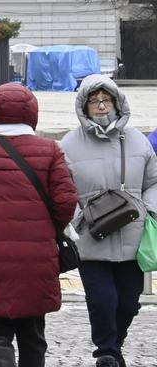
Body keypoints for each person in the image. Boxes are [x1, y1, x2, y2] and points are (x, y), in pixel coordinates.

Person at [0, 83, 78, 367]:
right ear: (32, 114)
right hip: (37, 258)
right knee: (32, 333)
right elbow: (66, 201)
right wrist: (48, 228)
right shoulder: (50, 151)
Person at [60, 75, 157, 367]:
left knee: (129, 303)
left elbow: (153, 181)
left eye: (106, 100)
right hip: (91, 237)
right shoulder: (68, 144)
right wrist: (76, 217)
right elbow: (61, 188)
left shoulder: (138, 140)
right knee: (102, 300)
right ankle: (106, 352)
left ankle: (114, 343)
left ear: (116, 102)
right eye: (94, 101)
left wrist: (149, 209)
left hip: (132, 235)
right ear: (84, 106)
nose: (101, 106)